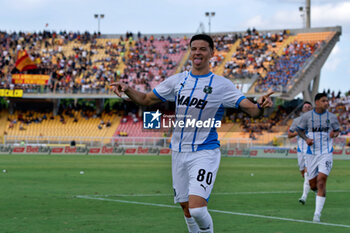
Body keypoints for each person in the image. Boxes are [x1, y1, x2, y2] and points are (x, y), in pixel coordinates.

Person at [111, 34, 273, 233]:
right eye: (194, 48)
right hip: (178, 152)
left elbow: (253, 110)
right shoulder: (177, 81)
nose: (197, 52)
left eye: (203, 49)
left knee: (197, 209)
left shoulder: (222, 85)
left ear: (212, 53)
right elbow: (145, 99)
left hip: (205, 152)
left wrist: (261, 106)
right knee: (186, 208)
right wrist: (127, 89)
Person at [297, 93, 340, 222]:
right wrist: (306, 139)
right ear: (317, 102)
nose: (327, 103)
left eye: (327, 101)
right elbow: (299, 130)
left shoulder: (332, 117)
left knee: (321, 181)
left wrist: (335, 133)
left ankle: (317, 214)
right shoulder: (307, 117)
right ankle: (315, 192)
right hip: (311, 154)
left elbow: (337, 130)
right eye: (324, 101)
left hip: (326, 153)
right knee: (312, 184)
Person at [288, 101, 313, 205]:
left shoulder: (315, 121)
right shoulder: (297, 120)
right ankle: (311, 186)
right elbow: (289, 135)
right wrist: (298, 132)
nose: (306, 108)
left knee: (307, 173)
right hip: (300, 150)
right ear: (302, 109)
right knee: (302, 171)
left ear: (311, 109)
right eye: (305, 106)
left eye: (308, 106)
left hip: (310, 150)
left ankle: (304, 196)